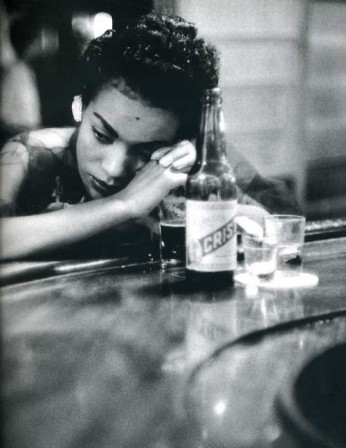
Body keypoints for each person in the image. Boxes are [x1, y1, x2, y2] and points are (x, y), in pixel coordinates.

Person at [0, 12, 298, 261]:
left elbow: (281, 225)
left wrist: (189, 201)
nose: (114, 168)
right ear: (80, 106)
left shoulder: (194, 158)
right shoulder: (30, 155)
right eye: (102, 135)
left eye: (146, 151)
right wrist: (123, 205)